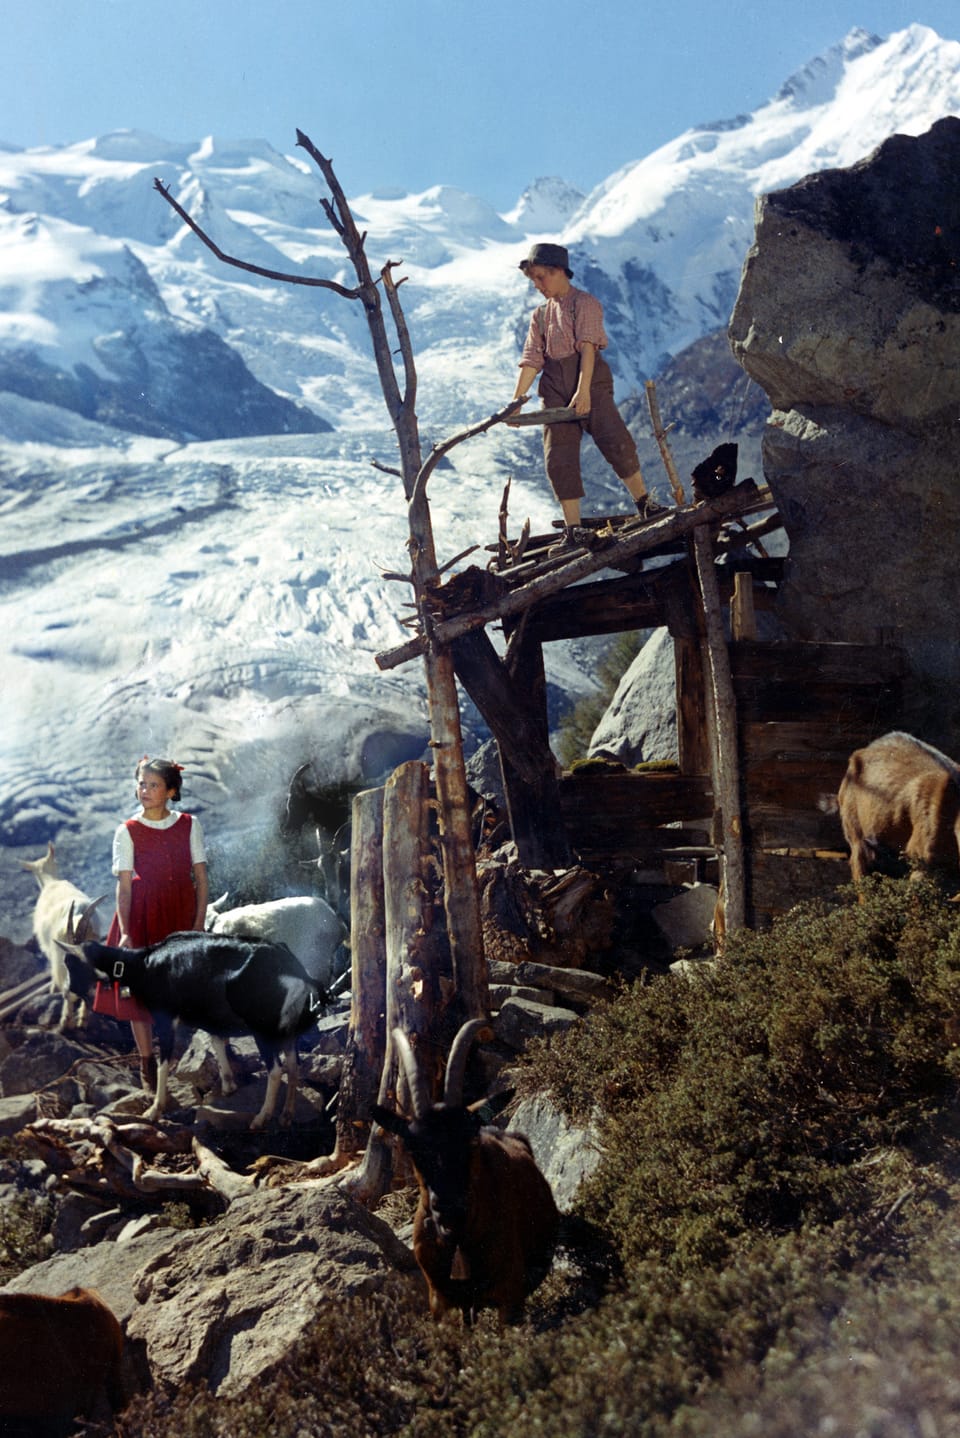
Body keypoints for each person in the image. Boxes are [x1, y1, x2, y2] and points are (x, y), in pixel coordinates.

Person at [511, 242, 665, 552]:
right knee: (558, 455)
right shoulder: (540, 316)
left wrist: (584, 392)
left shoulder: (585, 303)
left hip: (590, 381)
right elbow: (531, 359)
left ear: (558, 272)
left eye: (542, 278)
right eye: (534, 280)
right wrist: (515, 403)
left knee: (614, 439)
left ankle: (645, 503)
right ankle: (573, 531)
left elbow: (588, 349)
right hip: (554, 386)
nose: (538, 285)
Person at [101, 756, 209, 1092]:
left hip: (179, 915)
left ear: (171, 791)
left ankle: (169, 1057)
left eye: (153, 785)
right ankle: (147, 1062)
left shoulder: (189, 825)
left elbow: (201, 879)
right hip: (140, 915)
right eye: (141, 784)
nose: (144, 790)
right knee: (137, 993)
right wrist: (127, 930)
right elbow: (124, 884)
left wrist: (199, 923)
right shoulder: (127, 831)